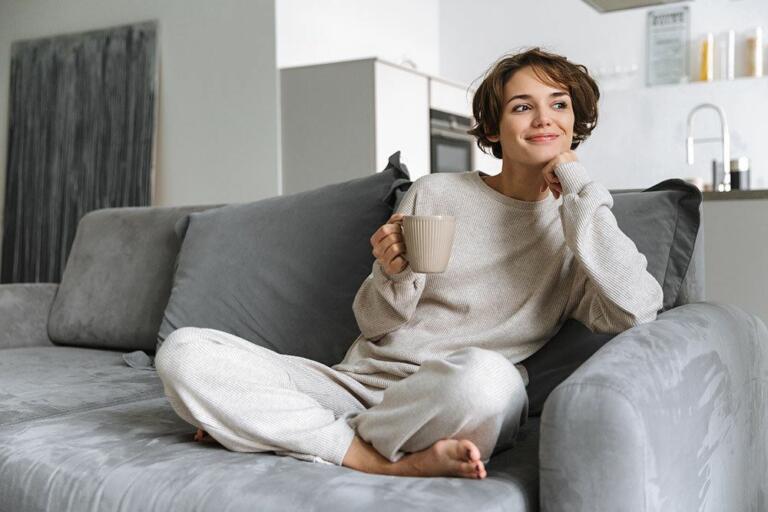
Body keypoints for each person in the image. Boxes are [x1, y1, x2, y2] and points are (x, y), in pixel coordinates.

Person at [155, 47, 663, 480]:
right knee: (185, 353)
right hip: (359, 387)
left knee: (492, 382)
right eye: (521, 107)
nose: (544, 119)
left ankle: (280, 427)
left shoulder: (579, 230)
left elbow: (636, 308)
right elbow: (373, 325)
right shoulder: (436, 193)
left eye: (558, 105)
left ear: (576, 121)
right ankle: (377, 460)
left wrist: (578, 189)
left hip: (457, 398)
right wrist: (395, 274)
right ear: (494, 125)